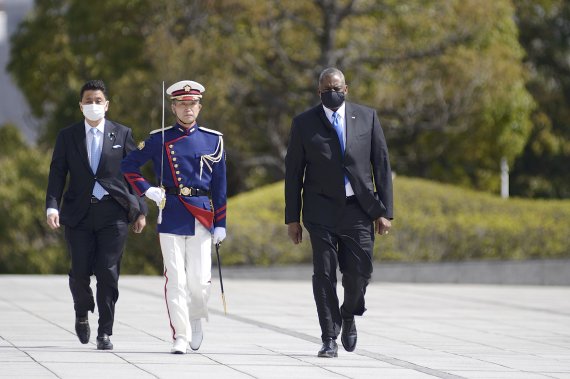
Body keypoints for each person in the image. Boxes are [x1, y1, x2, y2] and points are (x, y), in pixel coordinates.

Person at [285, 67, 393, 358]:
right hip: (320, 211)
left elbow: (381, 165)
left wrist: (385, 211)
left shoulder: (367, 117)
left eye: (336, 88)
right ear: (319, 92)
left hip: (359, 209)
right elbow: (293, 173)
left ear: (346, 89)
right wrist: (292, 218)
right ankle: (329, 337)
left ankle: (348, 313)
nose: (331, 93)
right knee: (323, 274)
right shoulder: (304, 123)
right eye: (325, 89)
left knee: (360, 272)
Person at [121, 80, 227, 354]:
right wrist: (147, 190)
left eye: (192, 104)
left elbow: (220, 186)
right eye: (182, 103)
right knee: (176, 278)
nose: (187, 108)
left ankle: (196, 315)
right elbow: (129, 165)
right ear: (173, 107)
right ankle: (180, 334)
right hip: (171, 212)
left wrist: (221, 224)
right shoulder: (160, 138)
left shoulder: (213, 139)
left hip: (201, 214)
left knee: (200, 281)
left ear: (199, 107)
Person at [46, 79, 147, 350]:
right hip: (78, 214)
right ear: (81, 106)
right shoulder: (67, 136)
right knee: (80, 272)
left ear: (107, 105)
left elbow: (135, 175)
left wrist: (140, 211)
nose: (93, 105)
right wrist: (52, 206)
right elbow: (57, 173)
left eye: (98, 101)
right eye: (88, 101)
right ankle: (82, 310)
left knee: (107, 272)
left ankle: (105, 331)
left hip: (113, 214)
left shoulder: (122, 134)